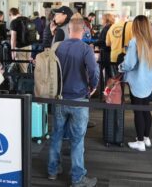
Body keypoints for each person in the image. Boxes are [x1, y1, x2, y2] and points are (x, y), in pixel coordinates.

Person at [48, 13, 99, 187]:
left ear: (69, 29)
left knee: (57, 135)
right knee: (77, 140)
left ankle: (53, 171)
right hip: (78, 100)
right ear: (83, 31)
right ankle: (77, 178)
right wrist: (93, 86)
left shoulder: (58, 47)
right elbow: (93, 72)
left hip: (59, 98)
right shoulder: (86, 49)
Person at [118, 15, 152, 152]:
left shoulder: (135, 42)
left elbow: (129, 64)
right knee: (146, 110)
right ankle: (146, 138)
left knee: (138, 112)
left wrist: (120, 67)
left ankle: (140, 141)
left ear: (136, 27)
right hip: (148, 82)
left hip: (136, 82)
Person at [9, 7, 32, 73]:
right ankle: (26, 81)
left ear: (11, 14)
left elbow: (13, 38)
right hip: (29, 46)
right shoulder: (27, 19)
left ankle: (24, 82)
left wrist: (12, 51)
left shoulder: (14, 22)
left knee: (23, 70)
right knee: (26, 67)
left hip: (20, 48)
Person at [94, 13, 115, 80]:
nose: (101, 21)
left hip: (105, 53)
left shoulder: (106, 28)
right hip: (111, 52)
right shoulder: (113, 27)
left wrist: (93, 44)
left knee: (98, 70)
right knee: (109, 72)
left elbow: (102, 41)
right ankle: (107, 87)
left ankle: (98, 87)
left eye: (102, 19)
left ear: (106, 20)